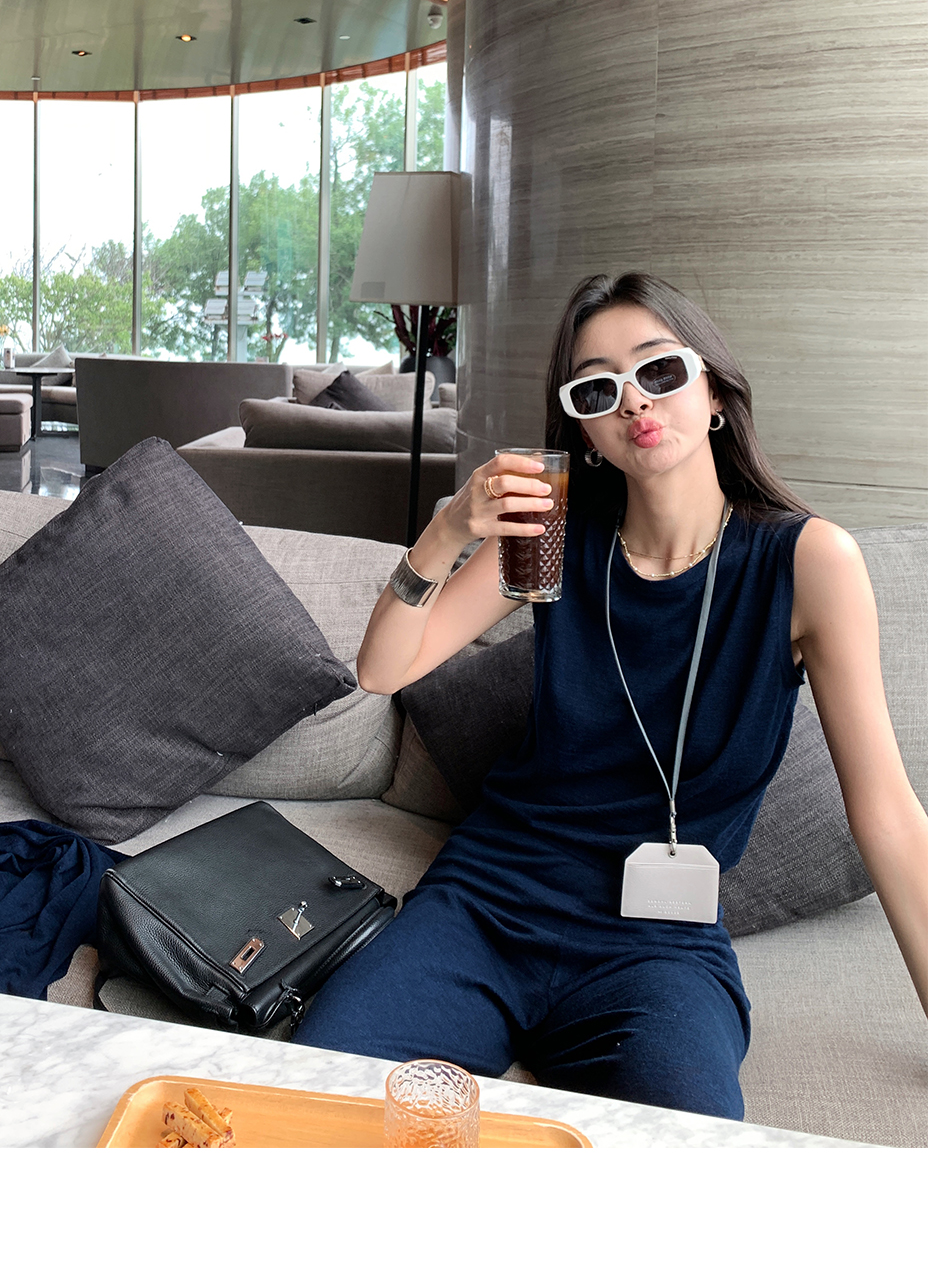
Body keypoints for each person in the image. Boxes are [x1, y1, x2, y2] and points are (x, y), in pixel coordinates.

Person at [292, 272, 928, 1119]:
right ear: (587, 432)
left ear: (713, 393)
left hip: (658, 948)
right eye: (598, 389)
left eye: (658, 369)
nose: (634, 400)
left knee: (683, 1158)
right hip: (487, 904)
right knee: (314, 1104)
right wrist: (447, 532)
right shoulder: (555, 535)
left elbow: (886, 812)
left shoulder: (809, 564)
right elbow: (383, 668)